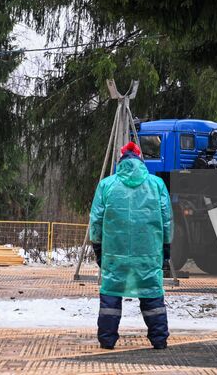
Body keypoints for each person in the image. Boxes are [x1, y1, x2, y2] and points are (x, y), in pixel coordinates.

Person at [87, 140, 172, 350]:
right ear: (141, 161)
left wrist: (97, 247)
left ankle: (107, 340)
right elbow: (167, 219)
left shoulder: (107, 185)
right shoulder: (156, 184)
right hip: (149, 252)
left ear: (121, 161)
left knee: (111, 295)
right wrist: (166, 247)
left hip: (114, 253)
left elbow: (96, 220)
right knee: (151, 293)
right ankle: (159, 339)